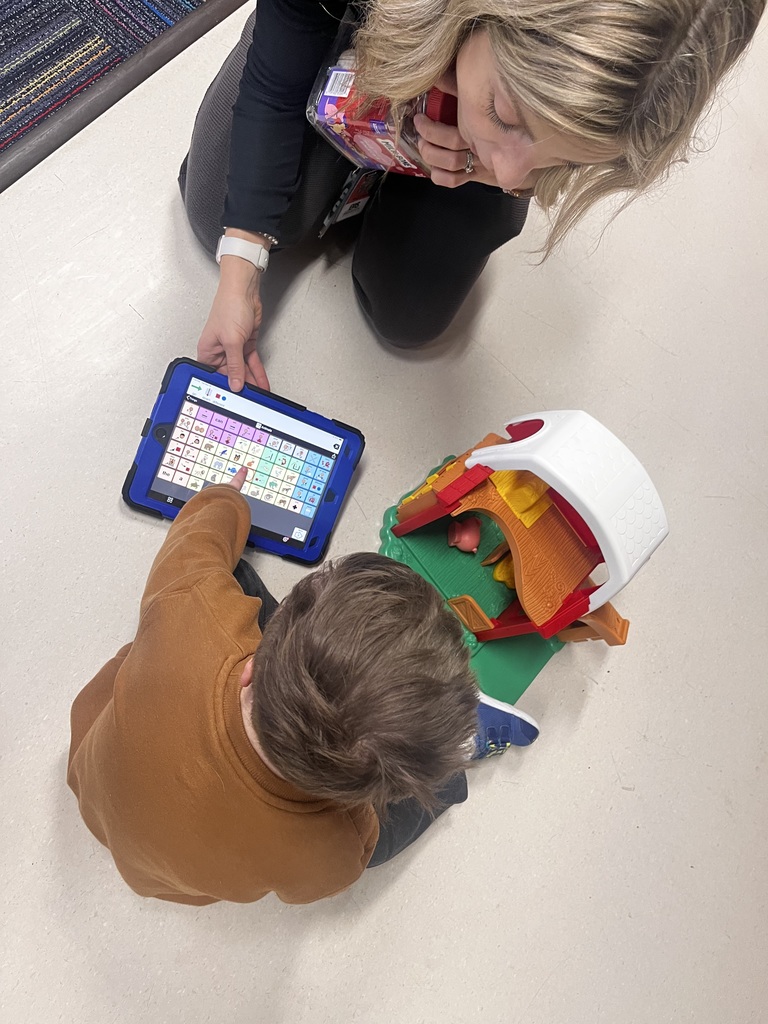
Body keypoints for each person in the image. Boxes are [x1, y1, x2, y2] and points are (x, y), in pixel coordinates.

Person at [180, 0, 765, 392]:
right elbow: (276, 87)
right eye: (507, 115)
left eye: (560, 156)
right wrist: (242, 267)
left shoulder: (694, 33)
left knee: (410, 319)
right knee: (219, 218)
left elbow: (522, 162)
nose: (509, 173)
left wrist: (504, 159)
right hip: (353, 19)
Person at [67, 467, 537, 905]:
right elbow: (341, 857)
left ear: (254, 664)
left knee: (226, 576)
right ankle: (462, 748)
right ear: (360, 794)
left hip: (93, 783)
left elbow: (193, 541)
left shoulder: (194, 609)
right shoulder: (341, 842)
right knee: (431, 795)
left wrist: (226, 499)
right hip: (181, 875)